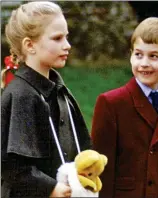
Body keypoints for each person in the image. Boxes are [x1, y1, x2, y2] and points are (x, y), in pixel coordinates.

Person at [1, 1, 91, 198]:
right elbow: (13, 167)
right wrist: (49, 188)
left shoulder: (60, 91)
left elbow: (81, 148)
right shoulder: (21, 95)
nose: (67, 45)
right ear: (29, 45)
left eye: (66, 37)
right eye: (57, 38)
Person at [91, 17, 158, 198]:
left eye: (153, 56)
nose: (144, 63)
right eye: (138, 54)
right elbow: (101, 172)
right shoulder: (111, 103)